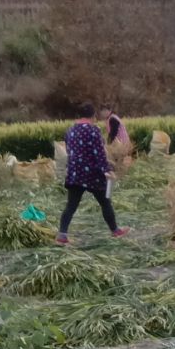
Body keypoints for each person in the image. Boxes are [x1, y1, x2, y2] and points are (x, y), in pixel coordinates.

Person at [57, 103, 126, 246]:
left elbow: (70, 151)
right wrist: (107, 170)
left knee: (71, 205)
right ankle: (115, 230)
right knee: (105, 202)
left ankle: (62, 235)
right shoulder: (93, 130)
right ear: (93, 116)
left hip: (75, 173)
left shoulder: (70, 130)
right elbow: (99, 153)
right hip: (92, 174)